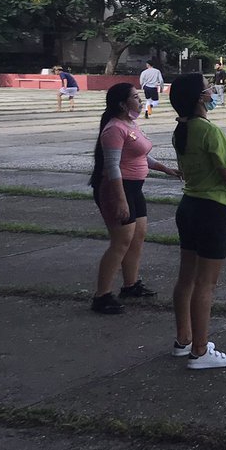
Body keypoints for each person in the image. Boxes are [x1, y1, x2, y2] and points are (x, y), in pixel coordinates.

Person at [169, 72, 226, 369]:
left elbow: (210, 164)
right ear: (200, 97)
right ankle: (200, 351)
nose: (213, 91)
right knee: (206, 284)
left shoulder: (182, 130)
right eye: (208, 88)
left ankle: (183, 340)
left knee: (186, 279)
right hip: (212, 211)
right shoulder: (209, 131)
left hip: (189, 207)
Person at [89, 83, 180, 314]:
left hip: (134, 189)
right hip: (117, 189)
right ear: (122, 103)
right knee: (120, 243)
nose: (140, 101)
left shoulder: (130, 124)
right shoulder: (113, 129)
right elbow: (112, 167)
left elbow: (140, 155)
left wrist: (165, 169)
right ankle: (102, 296)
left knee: (137, 238)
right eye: (135, 97)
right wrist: (120, 200)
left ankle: (130, 285)